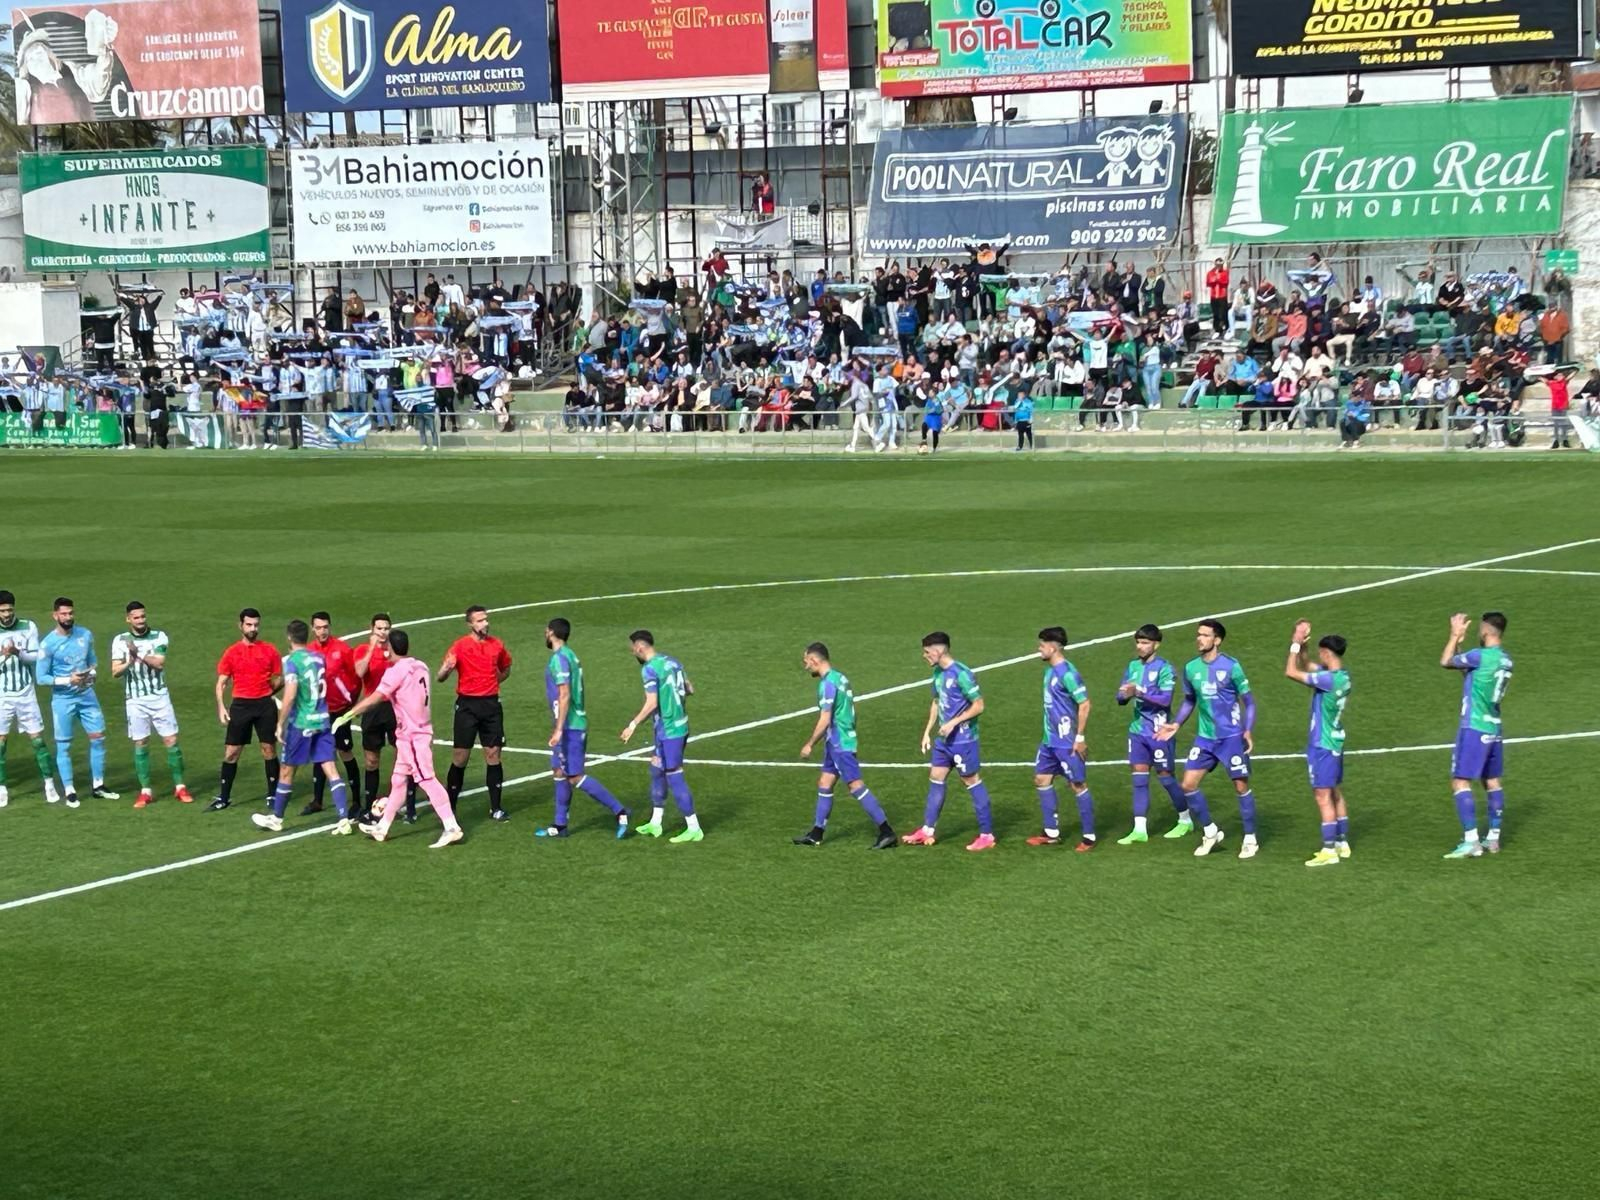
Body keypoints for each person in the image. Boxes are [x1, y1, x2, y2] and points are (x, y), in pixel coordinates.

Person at [335, 630, 463, 849]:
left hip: (413, 735)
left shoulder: (396, 671)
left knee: (427, 779)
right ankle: (382, 827)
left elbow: (375, 698)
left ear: (389, 649)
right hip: (410, 734)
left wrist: (348, 714)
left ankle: (451, 827)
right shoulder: (421, 665)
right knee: (398, 781)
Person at [1156, 619, 1259, 860]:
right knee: (1188, 785)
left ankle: (1250, 838)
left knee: (1241, 786)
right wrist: (1177, 724)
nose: (1199, 638)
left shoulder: (1232, 667)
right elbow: (1190, 700)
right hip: (1205, 739)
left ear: (1217, 640)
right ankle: (1210, 832)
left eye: (1205, 635)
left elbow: (1250, 702)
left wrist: (1248, 730)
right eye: (1198, 634)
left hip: (1231, 737)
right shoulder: (1191, 668)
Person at [251, 620, 353, 835]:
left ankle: (277, 818)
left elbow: (290, 695)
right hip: (323, 720)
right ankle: (344, 818)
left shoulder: (293, 661)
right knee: (331, 768)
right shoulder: (319, 658)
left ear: (289, 637)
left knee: (287, 770)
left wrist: (279, 723)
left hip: (302, 723)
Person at [793, 643, 897, 849]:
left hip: (840, 743)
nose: (806, 667)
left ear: (815, 660)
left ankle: (887, 831)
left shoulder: (828, 684)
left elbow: (825, 719)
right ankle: (816, 833)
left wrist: (809, 744)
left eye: (806, 662)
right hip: (837, 741)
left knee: (855, 785)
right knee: (825, 783)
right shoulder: (841, 678)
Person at [536, 618, 629, 839]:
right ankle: (560, 825)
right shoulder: (570, 655)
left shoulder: (560, 659)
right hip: (568, 723)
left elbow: (564, 693)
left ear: (550, 633)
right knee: (559, 771)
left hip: (570, 726)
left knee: (575, 776)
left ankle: (620, 812)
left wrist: (559, 729)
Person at [902, 632, 995, 851]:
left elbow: (979, 705)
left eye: (926, 652)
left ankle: (987, 835)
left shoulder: (962, 674)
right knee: (936, 776)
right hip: (944, 740)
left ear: (939, 650)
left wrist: (954, 722)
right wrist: (927, 732)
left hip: (963, 740)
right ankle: (927, 831)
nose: (924, 656)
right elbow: (936, 702)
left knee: (971, 781)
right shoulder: (937, 673)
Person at [1441, 611, 1513, 859]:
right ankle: (1493, 838)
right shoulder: (1505, 660)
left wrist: (1454, 636)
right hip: (1494, 728)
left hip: (1474, 727)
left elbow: (1446, 661)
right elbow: (1471, 673)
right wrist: (1461, 644)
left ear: (1485, 630)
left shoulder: (1478, 656)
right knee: (1491, 780)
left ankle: (1471, 841)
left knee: (1460, 780)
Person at [620, 630, 702, 842]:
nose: (632, 652)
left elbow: (652, 703)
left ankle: (694, 828)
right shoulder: (672, 661)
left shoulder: (649, 669)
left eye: (632, 648)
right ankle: (656, 823)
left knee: (674, 776)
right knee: (657, 769)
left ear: (640, 647)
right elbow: (690, 688)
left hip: (671, 731)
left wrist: (632, 725)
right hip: (673, 727)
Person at [1114, 624, 1191, 844]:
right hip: (1137, 731)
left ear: (1156, 644)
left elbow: (1165, 700)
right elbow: (1120, 698)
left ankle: (1185, 820)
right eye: (1138, 642)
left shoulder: (1165, 668)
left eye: (1145, 642)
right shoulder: (1132, 667)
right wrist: (1125, 694)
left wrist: (1139, 691)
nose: (1140, 646)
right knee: (1139, 777)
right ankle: (1140, 830)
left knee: (1166, 778)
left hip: (1159, 732)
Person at [1284, 621, 1352, 867]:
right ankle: (1342, 842)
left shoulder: (1326, 680)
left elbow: (1292, 671)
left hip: (1322, 744)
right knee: (1334, 790)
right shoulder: (1342, 677)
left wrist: (1294, 642)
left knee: (1322, 795)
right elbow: (1306, 665)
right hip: (1335, 740)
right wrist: (1305, 644)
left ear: (1326, 653)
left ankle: (1328, 850)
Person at [109, 601, 190, 809]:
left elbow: (159, 663)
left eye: (143, 616)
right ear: (128, 619)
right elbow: (115, 671)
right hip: (135, 700)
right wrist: (130, 660)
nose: (140, 620)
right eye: (136, 617)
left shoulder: (159, 636)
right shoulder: (119, 640)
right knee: (141, 743)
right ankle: (145, 791)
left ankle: (180, 786)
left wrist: (139, 655)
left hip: (160, 697)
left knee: (171, 740)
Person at [38, 597, 118, 806]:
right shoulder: (48, 644)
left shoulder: (85, 634)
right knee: (64, 745)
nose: (68, 617)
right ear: (55, 615)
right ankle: (70, 790)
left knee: (98, 737)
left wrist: (91, 674)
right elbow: (41, 677)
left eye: (71, 613)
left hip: (86, 695)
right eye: (63, 614)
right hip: (63, 699)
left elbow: (92, 661)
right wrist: (68, 680)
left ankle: (98, 785)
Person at [438, 605, 513, 822]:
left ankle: (496, 807)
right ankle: (449, 808)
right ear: (470, 624)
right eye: (480, 620)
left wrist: (492, 682)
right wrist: (446, 668)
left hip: (490, 706)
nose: (485, 624)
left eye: (486, 619)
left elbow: (506, 667)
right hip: (467, 707)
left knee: (493, 754)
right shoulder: (460, 646)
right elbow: (441, 677)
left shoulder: (497, 645)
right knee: (461, 757)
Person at [1025, 627, 1096, 850]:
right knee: (1041, 780)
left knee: (1077, 784)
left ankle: (1089, 836)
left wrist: (1080, 737)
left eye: (1042, 645)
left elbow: (1085, 704)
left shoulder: (1067, 673)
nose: (1039, 649)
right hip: (1049, 741)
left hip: (1067, 741)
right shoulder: (1049, 672)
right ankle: (1051, 832)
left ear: (1053, 646)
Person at [207, 608, 282, 812]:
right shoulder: (232, 652)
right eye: (249, 625)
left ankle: (273, 794)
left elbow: (279, 676)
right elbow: (221, 682)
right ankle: (224, 797)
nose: (253, 628)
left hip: (264, 705)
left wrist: (269, 691)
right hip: (240, 705)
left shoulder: (269, 650)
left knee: (268, 749)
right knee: (231, 752)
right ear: (240, 625)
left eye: (256, 625)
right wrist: (221, 706)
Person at [0, 591, 62, 808]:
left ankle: (49, 784)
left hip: (26, 693)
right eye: (2, 610)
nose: (7, 614)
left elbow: (36, 657)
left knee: (37, 740)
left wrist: (18, 653)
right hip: (2, 696)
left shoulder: (28, 626)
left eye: (9, 609)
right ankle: (2, 788)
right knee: (1, 744)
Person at [353, 614, 416, 822]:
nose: (382, 632)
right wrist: (371, 649)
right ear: (371, 629)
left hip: (395, 708)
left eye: (386, 628)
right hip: (373, 709)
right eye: (379, 628)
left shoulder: (395, 654)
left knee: (405, 756)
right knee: (371, 760)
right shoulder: (363, 650)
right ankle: (370, 808)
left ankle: (410, 806)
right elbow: (360, 672)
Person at [303, 613, 363, 817]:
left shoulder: (342, 649)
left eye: (325, 627)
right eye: (318, 627)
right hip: (318, 712)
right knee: (319, 753)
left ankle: (356, 800)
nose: (322, 631)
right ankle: (317, 800)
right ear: (313, 629)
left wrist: (352, 706)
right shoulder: (308, 651)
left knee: (344, 751)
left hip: (339, 712)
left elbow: (356, 679)